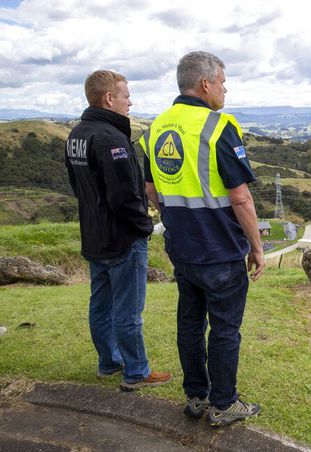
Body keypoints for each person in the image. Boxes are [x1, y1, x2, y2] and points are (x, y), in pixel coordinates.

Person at [139, 51, 266, 427]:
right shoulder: (219, 125)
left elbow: (150, 189)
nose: (225, 90)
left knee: (190, 325)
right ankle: (224, 403)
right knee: (225, 329)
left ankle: (196, 396)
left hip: (183, 249)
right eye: (223, 83)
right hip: (221, 250)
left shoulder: (156, 129)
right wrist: (257, 247)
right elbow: (240, 196)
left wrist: (177, 218)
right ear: (206, 84)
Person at [65, 70, 171, 391]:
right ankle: (136, 371)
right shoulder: (112, 139)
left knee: (100, 305)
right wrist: (144, 226)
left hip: (94, 235)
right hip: (122, 239)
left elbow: (78, 187)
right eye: (126, 96)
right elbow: (124, 195)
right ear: (109, 98)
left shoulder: (77, 135)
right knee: (128, 311)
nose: (130, 101)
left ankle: (108, 362)